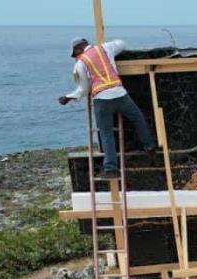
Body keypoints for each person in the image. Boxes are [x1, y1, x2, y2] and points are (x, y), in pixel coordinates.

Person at [58, 37, 156, 177]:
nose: (76, 57)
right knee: (138, 118)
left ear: (78, 49)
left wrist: (69, 97)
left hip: (102, 100)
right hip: (120, 94)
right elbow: (122, 43)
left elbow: (84, 89)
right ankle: (150, 146)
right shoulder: (105, 48)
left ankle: (110, 169)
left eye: (75, 54)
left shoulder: (81, 63)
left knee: (106, 134)